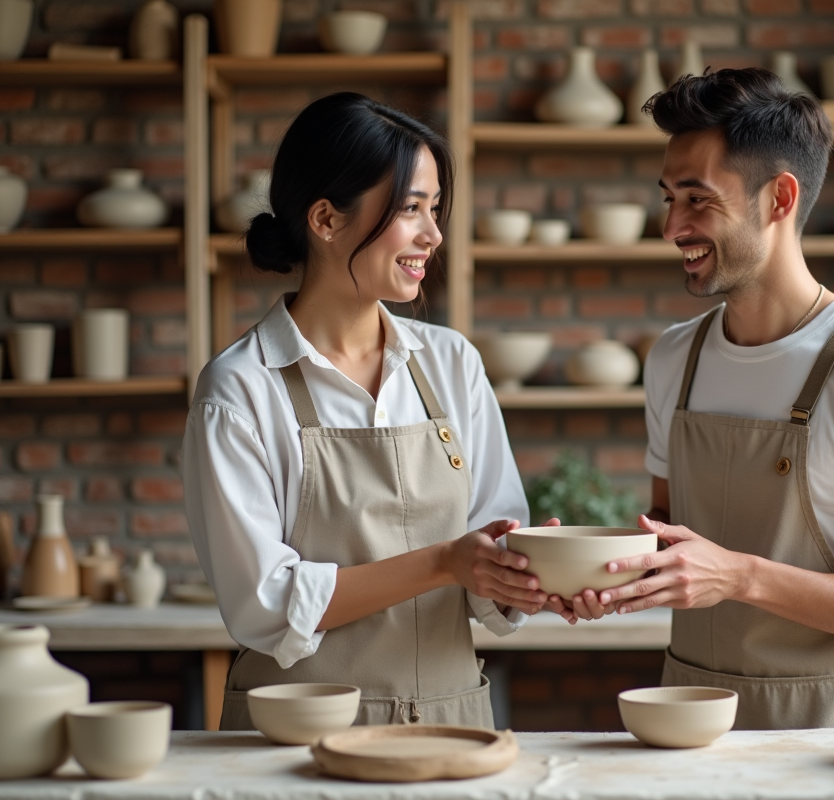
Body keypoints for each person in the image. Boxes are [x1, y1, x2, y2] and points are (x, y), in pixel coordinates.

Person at [182, 92, 570, 731]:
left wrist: (525, 573)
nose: (433, 235)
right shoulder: (240, 391)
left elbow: (489, 551)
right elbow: (267, 604)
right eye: (411, 209)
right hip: (298, 739)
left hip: (452, 728)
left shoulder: (452, 365)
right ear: (326, 221)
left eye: (435, 209)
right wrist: (446, 562)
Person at [583, 69, 834, 729]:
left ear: (779, 198)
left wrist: (741, 577)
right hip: (692, 715)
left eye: (697, 200)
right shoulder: (675, 358)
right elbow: (670, 529)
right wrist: (601, 573)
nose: (672, 227)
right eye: (668, 198)